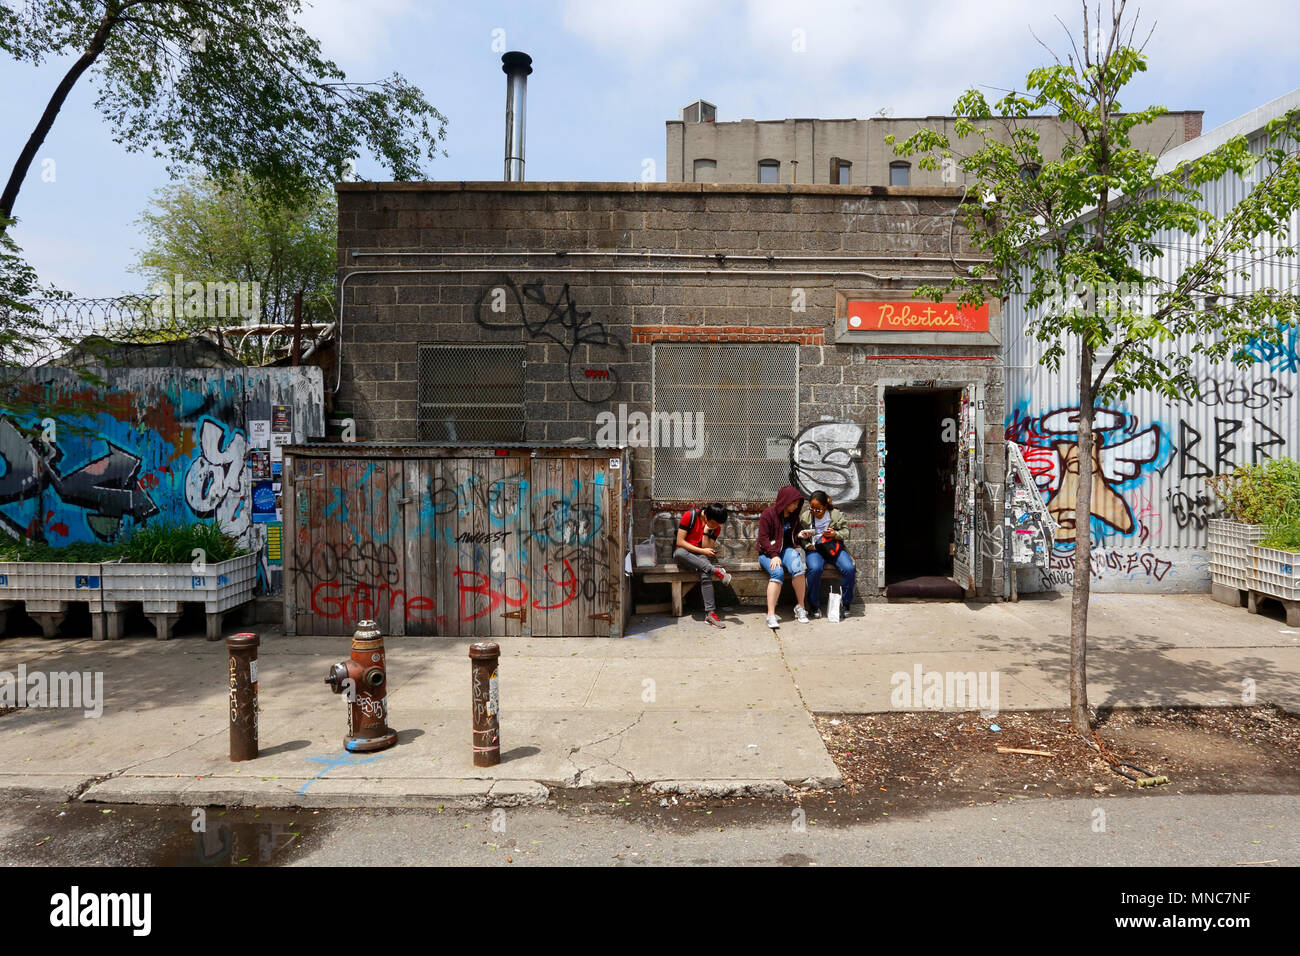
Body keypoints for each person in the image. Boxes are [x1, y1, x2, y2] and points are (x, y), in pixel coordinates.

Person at [756, 484, 810, 628]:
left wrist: (799, 535)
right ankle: (771, 614)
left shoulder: (793, 517)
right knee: (777, 572)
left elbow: (793, 537)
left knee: (798, 568)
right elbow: (763, 539)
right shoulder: (768, 514)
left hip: (785, 550)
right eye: (793, 503)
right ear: (785, 501)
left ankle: (800, 607)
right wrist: (773, 555)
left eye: (797, 504)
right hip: (767, 553)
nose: (795, 506)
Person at [799, 490, 857, 619]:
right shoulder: (805, 517)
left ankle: (846, 603)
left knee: (849, 568)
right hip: (815, 550)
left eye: (818, 509)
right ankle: (814, 605)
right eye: (811, 508)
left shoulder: (834, 515)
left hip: (833, 548)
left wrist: (835, 534)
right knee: (815, 569)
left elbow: (846, 532)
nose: (814, 511)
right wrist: (808, 545)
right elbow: (800, 537)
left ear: (825, 506)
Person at [673, 503, 732, 628]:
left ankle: (710, 614)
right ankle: (716, 571)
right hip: (685, 556)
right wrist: (701, 552)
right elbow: (680, 542)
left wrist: (706, 531)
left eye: (718, 524)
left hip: (700, 557)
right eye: (714, 523)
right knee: (679, 553)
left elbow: (707, 548)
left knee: (705, 572)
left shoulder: (716, 527)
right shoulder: (690, 516)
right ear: (707, 517)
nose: (716, 526)